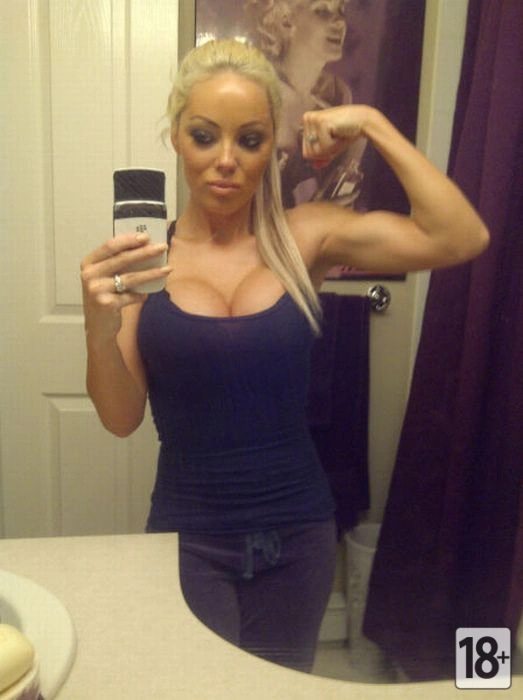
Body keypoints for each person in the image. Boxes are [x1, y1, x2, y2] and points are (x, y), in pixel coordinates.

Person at [80, 39, 489, 673]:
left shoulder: (307, 235)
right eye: (204, 136)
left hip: (298, 535)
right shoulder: (145, 259)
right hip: (188, 540)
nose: (226, 160)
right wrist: (97, 325)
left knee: (281, 686)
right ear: (176, 137)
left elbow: (462, 235)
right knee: (202, 687)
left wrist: (372, 123)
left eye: (249, 140)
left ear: (274, 146)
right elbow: (120, 417)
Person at [244, 0, 366, 208]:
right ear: (285, 21)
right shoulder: (255, 93)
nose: (340, 22)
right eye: (322, 11)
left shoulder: (336, 94)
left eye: (341, 10)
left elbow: (343, 184)